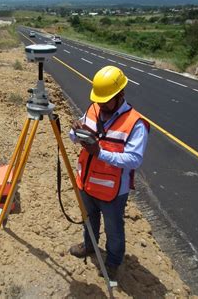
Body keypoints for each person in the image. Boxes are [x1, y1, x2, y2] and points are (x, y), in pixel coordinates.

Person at [69, 65, 149, 281]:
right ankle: (89, 246)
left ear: (120, 94)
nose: (101, 105)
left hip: (113, 192)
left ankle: (113, 262)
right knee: (89, 220)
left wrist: (100, 152)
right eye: (99, 100)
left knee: (114, 230)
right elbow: (75, 135)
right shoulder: (94, 108)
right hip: (86, 183)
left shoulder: (135, 123)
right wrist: (75, 132)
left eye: (106, 101)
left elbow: (134, 160)